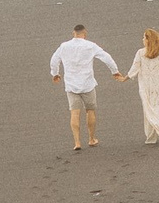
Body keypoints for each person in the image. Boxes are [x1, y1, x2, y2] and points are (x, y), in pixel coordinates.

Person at [48, 23, 122, 151]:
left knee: (74, 113)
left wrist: (55, 73)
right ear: (85, 33)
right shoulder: (90, 45)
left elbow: (54, 60)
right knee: (90, 110)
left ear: (73, 33)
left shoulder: (64, 46)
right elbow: (106, 57)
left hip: (71, 85)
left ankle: (77, 142)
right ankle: (91, 138)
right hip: (87, 84)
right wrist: (114, 71)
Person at [129, 28, 159, 144]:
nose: (143, 39)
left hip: (156, 86)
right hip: (152, 86)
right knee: (157, 107)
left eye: (144, 37)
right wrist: (127, 77)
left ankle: (154, 136)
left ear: (149, 40)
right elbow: (136, 68)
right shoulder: (143, 53)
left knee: (152, 109)